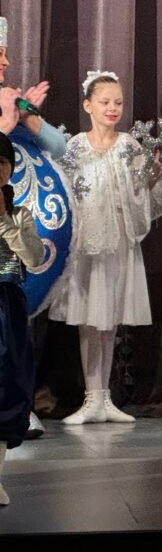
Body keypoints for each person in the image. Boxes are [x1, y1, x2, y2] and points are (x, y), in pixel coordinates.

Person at [50, 71, 162, 424]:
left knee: (110, 320)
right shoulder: (74, 147)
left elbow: (143, 198)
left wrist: (151, 179)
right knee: (89, 320)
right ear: (88, 106)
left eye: (118, 102)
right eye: (105, 102)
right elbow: (65, 194)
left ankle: (105, 397)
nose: (112, 108)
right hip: (87, 246)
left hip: (118, 243)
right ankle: (91, 397)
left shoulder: (129, 146)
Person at [0, 16, 69, 440]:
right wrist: (6, 125)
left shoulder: (13, 101)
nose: (5, 62)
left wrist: (30, 119)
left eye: (5, 54)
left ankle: (17, 408)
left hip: (12, 224)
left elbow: (60, 146)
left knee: (13, 328)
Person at [0, 131, 46, 505]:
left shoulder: (20, 214)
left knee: (6, 389)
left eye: (1, 163)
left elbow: (33, 257)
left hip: (6, 308)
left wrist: (3, 222)